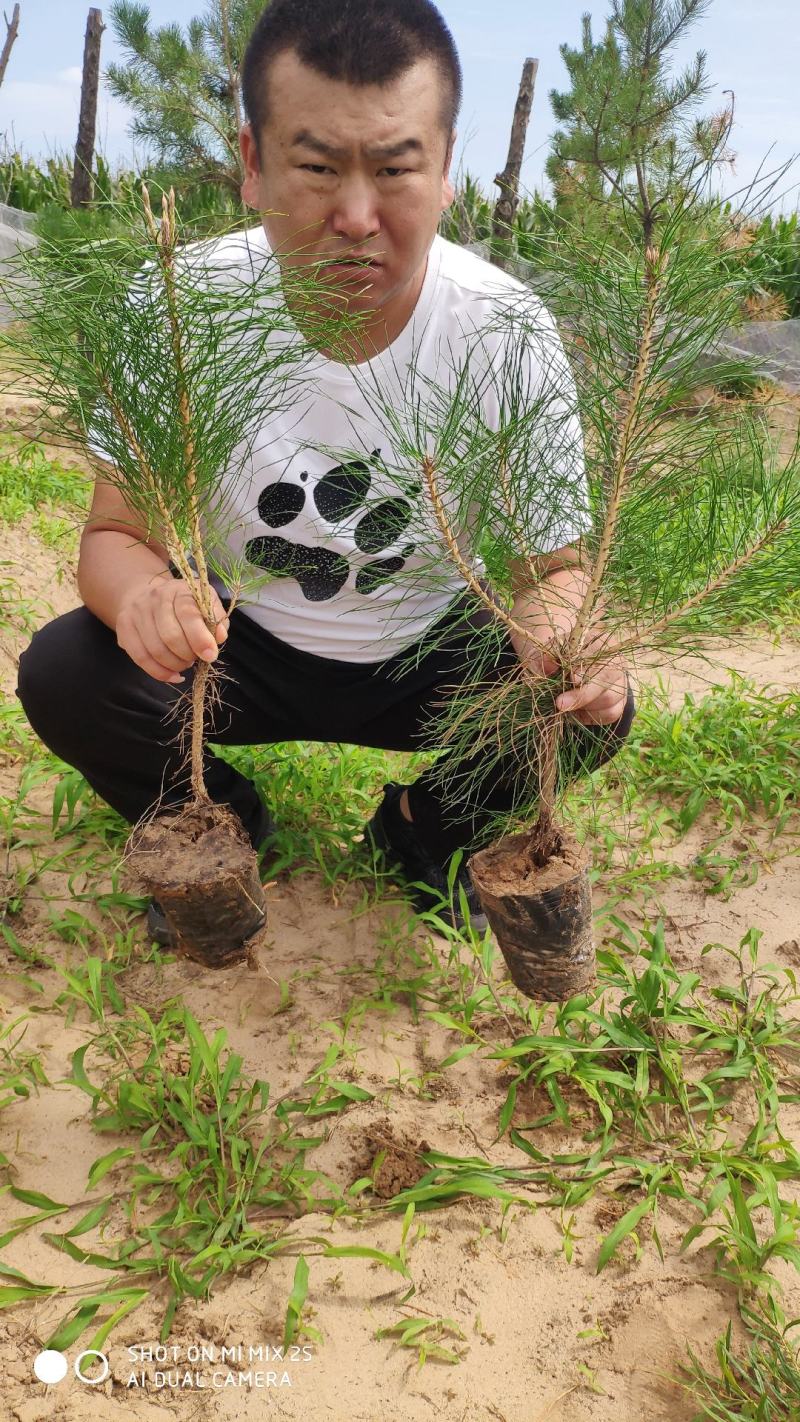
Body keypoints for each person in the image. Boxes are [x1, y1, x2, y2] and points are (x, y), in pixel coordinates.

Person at [16, 0, 634, 943]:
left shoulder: (504, 328)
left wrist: (565, 638)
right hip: (238, 643)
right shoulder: (177, 308)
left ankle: (423, 832)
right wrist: (144, 596)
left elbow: (550, 571)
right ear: (253, 162)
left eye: (394, 169)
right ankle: (221, 814)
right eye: (315, 168)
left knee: (598, 707)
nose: (356, 217)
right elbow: (117, 537)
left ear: (446, 166)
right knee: (66, 671)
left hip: (431, 652)